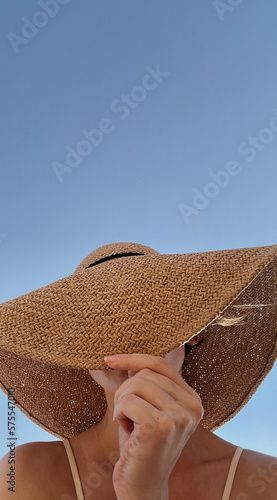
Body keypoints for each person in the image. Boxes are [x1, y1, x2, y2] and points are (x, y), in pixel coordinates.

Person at [0, 331, 277, 499]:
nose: (127, 334)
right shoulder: (27, 471)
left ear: (192, 332)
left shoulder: (267, 479)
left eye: (149, 313)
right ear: (77, 351)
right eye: (101, 321)